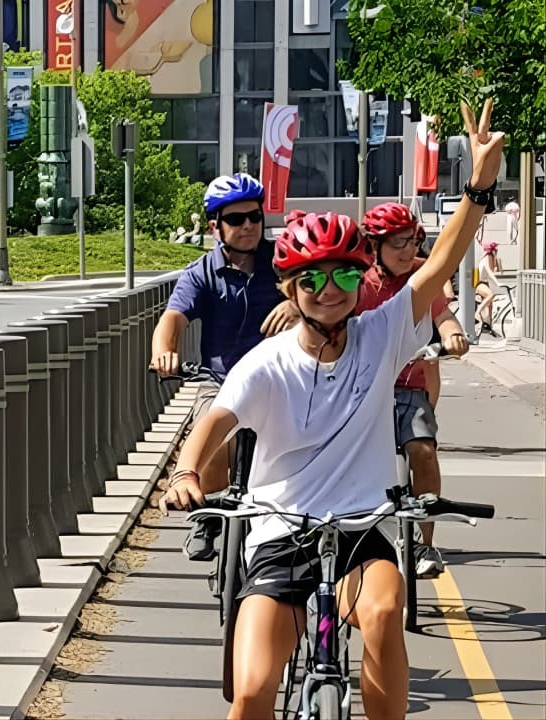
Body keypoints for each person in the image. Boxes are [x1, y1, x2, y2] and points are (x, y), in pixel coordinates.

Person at [159, 100, 503, 720]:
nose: (329, 291)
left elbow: (440, 265)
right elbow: (216, 421)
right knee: (253, 689)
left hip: (360, 530)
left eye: (344, 278)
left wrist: (478, 187)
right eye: (312, 281)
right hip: (279, 535)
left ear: (358, 282)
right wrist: (186, 473)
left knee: (383, 612)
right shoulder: (267, 363)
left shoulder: (381, 333)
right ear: (289, 290)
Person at [150, 173, 298, 558]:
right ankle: (209, 516)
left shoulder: (284, 262)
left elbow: (322, 290)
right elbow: (173, 318)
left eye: (255, 216)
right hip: (221, 380)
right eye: (235, 219)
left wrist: (296, 304)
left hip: (281, 381)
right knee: (212, 434)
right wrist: (164, 351)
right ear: (214, 226)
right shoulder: (200, 273)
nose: (248, 225)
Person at [357, 202, 470, 578]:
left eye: (413, 240)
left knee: (423, 451)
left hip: (410, 388)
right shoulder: (357, 282)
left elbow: (442, 314)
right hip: (364, 391)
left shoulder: (421, 277)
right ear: (374, 246)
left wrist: (452, 334)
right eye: (398, 243)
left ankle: (425, 542)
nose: (408, 251)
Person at [475, 240, 502, 336]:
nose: (497, 250)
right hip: (479, 283)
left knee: (490, 305)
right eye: (495, 249)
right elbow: (490, 272)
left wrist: (497, 261)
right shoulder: (488, 257)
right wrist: (497, 283)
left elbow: (496, 271)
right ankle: (477, 313)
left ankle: (489, 326)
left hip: (484, 282)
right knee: (490, 295)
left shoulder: (491, 258)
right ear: (491, 250)